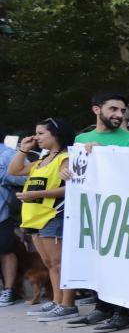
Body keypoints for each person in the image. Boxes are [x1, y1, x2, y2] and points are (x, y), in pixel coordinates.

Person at [74, 91, 129, 332]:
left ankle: (123, 313)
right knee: (96, 261)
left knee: (121, 263)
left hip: (123, 212)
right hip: (93, 211)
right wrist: (67, 168)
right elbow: (76, 174)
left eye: (122, 111)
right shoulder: (82, 139)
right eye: (113, 109)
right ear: (97, 110)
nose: (119, 114)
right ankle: (102, 307)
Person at [8, 118, 78, 321]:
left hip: (52, 215)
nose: (36, 137)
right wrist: (22, 150)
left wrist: (34, 195)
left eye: (40, 133)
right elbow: (13, 171)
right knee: (48, 262)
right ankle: (57, 301)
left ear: (55, 134)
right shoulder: (41, 160)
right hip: (34, 217)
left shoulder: (64, 158)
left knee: (59, 262)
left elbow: (70, 188)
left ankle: (67, 304)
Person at [0, 136, 25, 307]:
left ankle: (9, 290)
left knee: (5, 251)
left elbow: (27, 176)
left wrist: (4, 175)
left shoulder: (7, 154)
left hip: (2, 213)